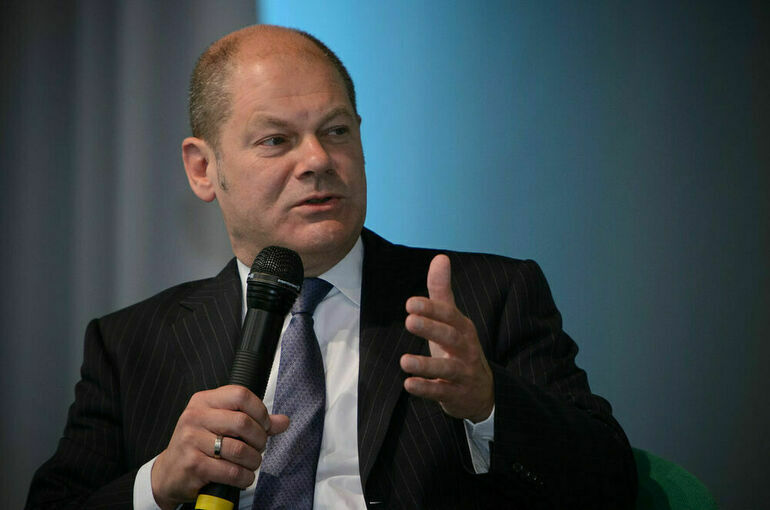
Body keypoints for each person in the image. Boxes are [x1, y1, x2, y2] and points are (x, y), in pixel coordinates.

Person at [26, 25, 637, 509]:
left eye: (336, 130)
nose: (318, 159)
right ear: (203, 169)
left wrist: (489, 403)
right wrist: (158, 482)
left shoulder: (486, 298)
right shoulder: (130, 343)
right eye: (276, 140)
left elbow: (611, 481)